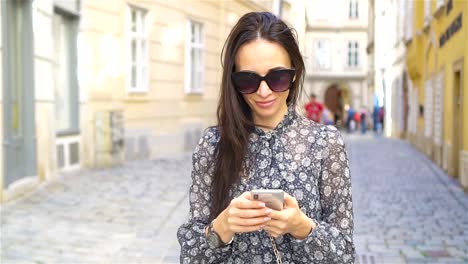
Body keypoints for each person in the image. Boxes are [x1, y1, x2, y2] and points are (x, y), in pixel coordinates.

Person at [177, 12, 354, 264]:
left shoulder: (325, 143)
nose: (263, 91)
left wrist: (302, 226)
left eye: (277, 77)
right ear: (233, 80)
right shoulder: (214, 144)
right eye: (248, 79)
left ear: (294, 74)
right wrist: (223, 227)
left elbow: (345, 253)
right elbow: (190, 257)